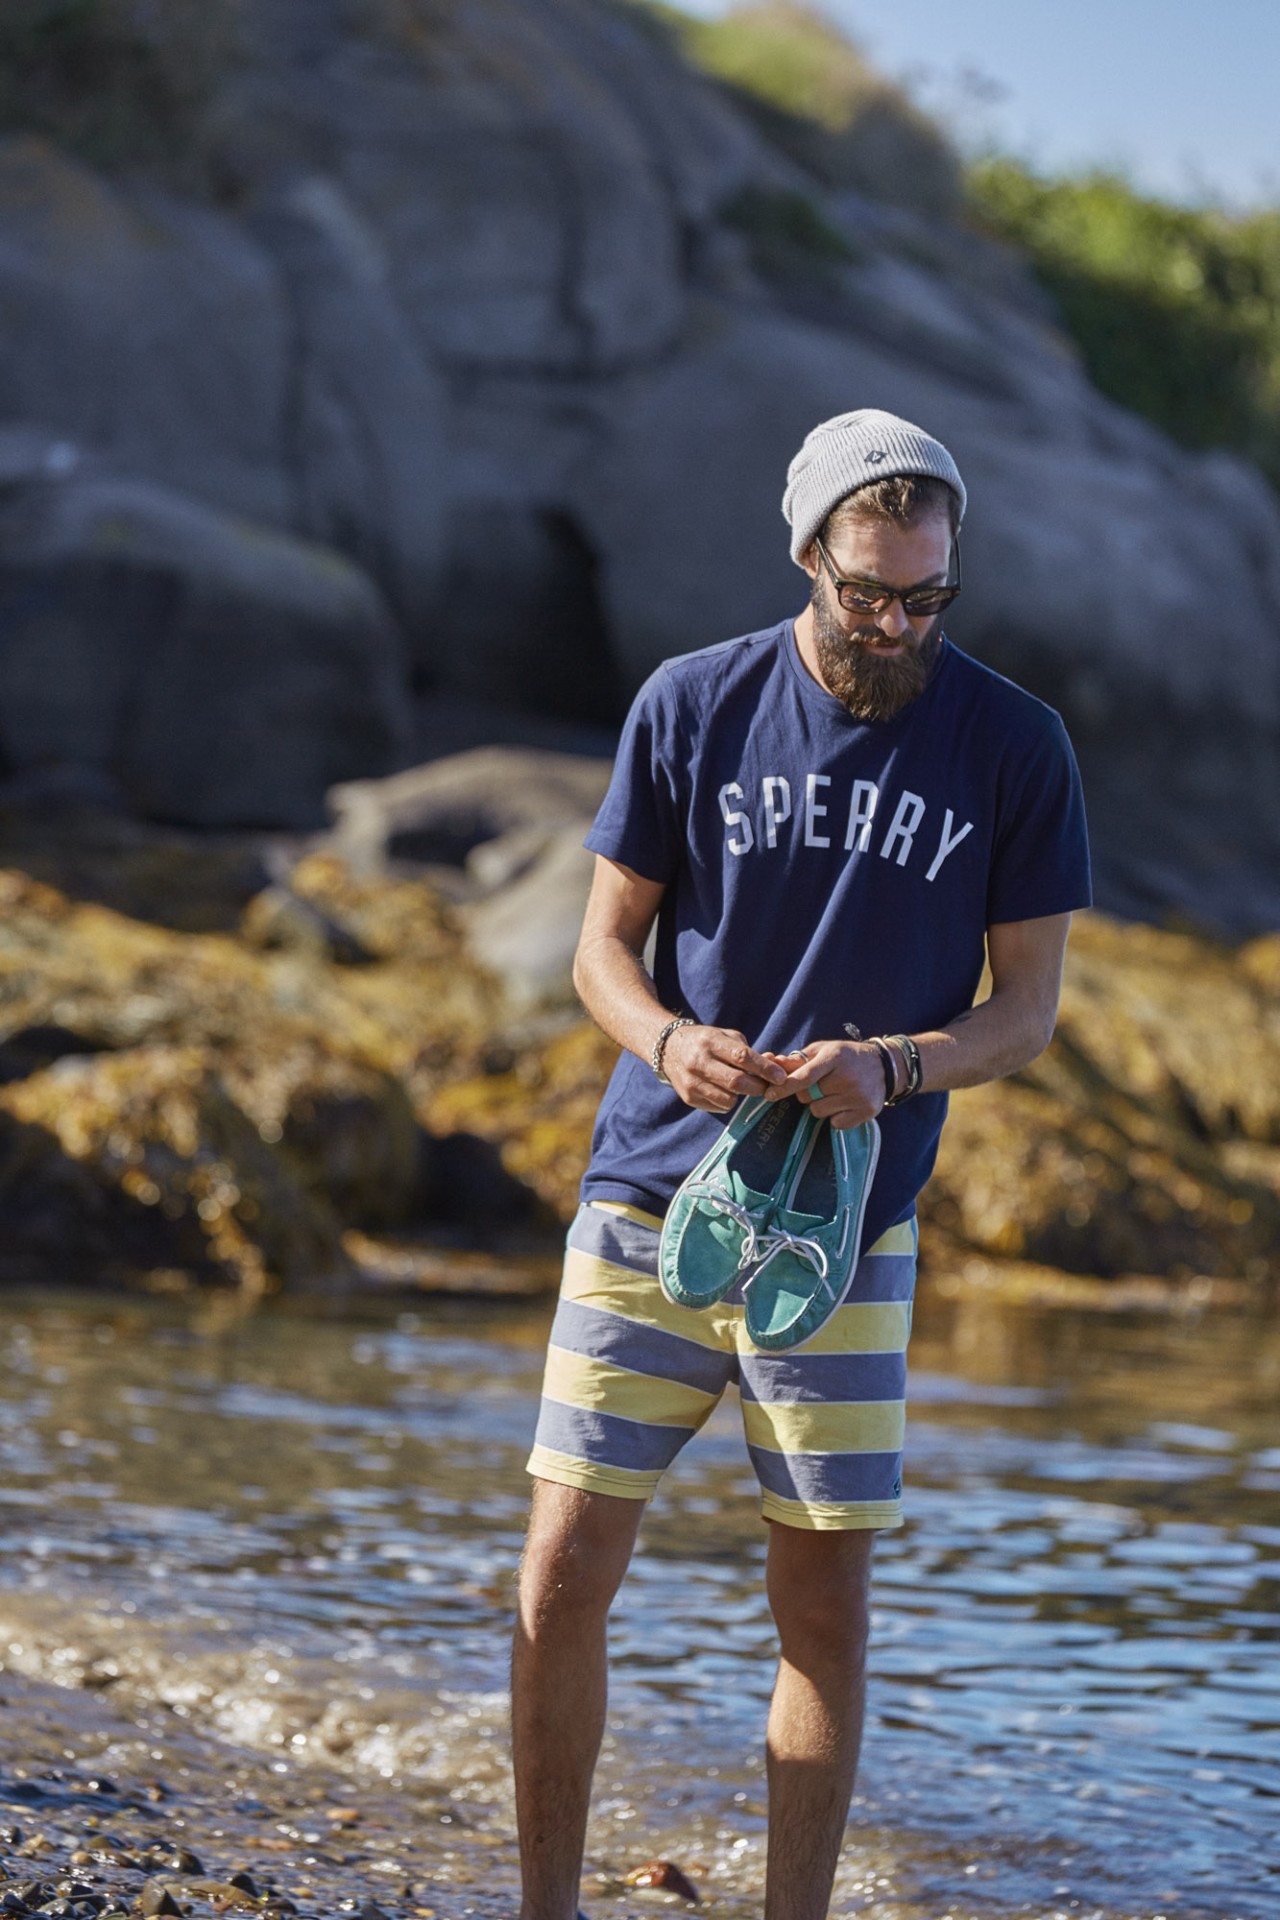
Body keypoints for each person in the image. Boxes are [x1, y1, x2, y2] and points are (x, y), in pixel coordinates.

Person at [511, 409, 1091, 1920]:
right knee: (561, 1573)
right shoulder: (692, 705)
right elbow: (600, 949)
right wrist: (664, 1042)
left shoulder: (1014, 745)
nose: (896, 622)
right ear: (808, 554)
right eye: (868, 590)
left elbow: (1024, 1013)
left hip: (846, 1232)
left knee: (822, 1608)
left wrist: (897, 1067)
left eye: (925, 595)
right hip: (651, 1196)